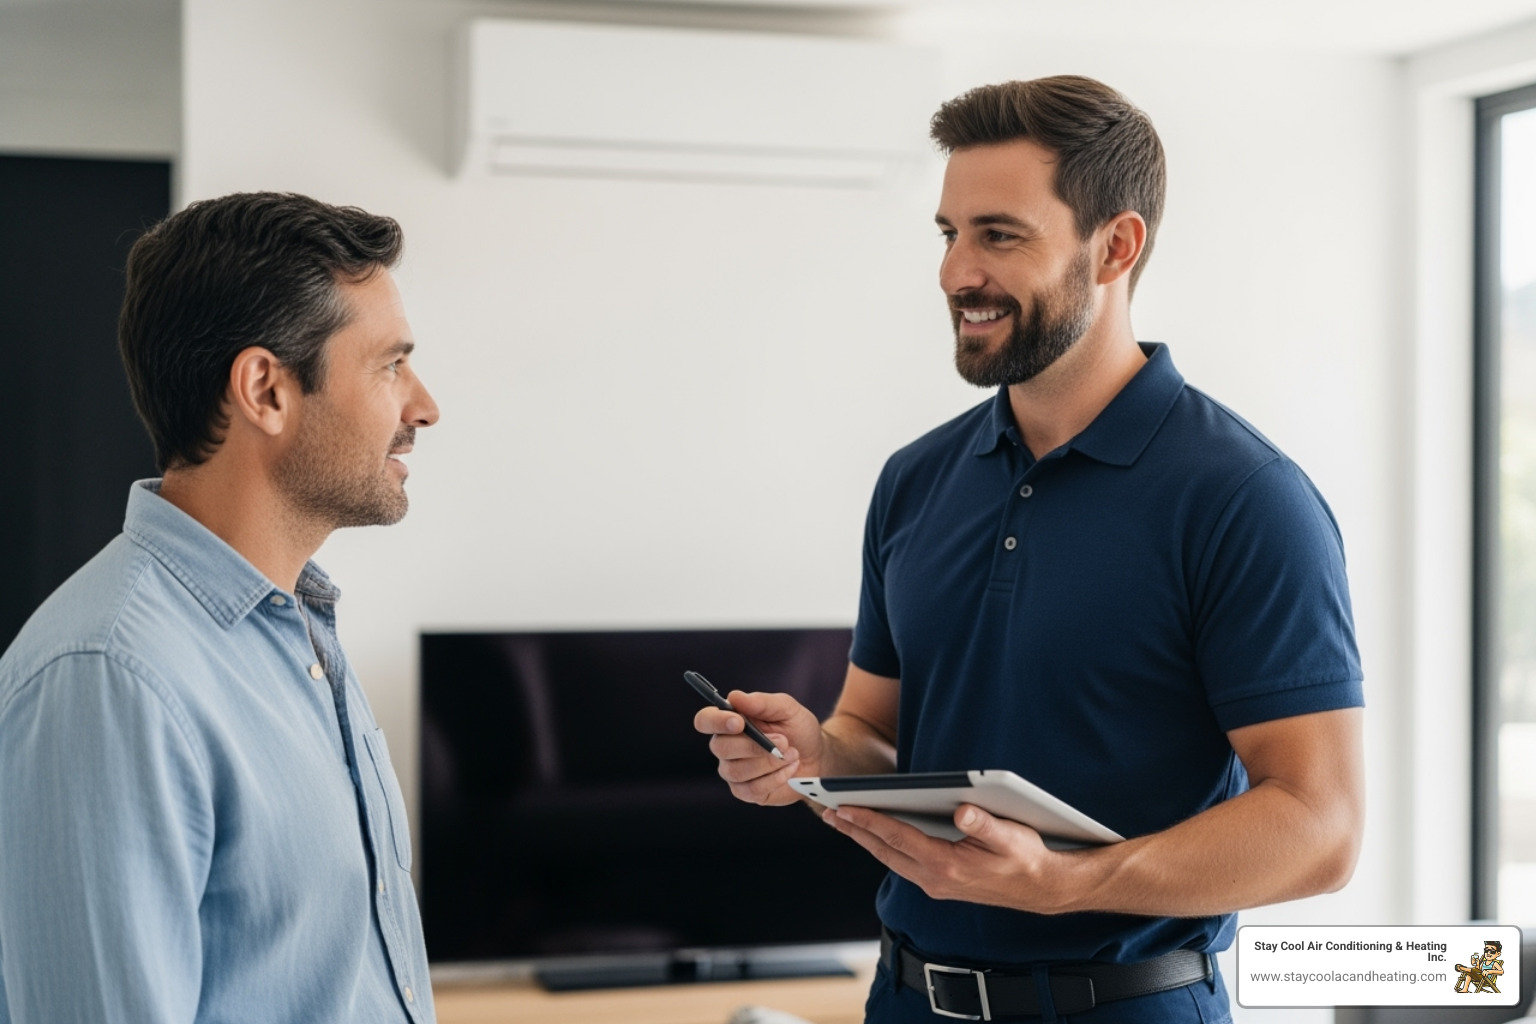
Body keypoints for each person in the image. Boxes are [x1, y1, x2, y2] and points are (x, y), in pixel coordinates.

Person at [695, 76, 1365, 1023]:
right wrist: (813, 755)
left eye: (998, 235)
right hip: (906, 997)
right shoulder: (914, 480)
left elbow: (1320, 828)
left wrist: (1068, 883)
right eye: (948, 234)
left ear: (1115, 247)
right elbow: (874, 734)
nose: (954, 272)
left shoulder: (1245, 499)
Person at [0, 192, 441, 1023]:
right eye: (390, 365)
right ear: (265, 390)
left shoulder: (301, 633)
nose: (423, 406)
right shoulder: (110, 678)